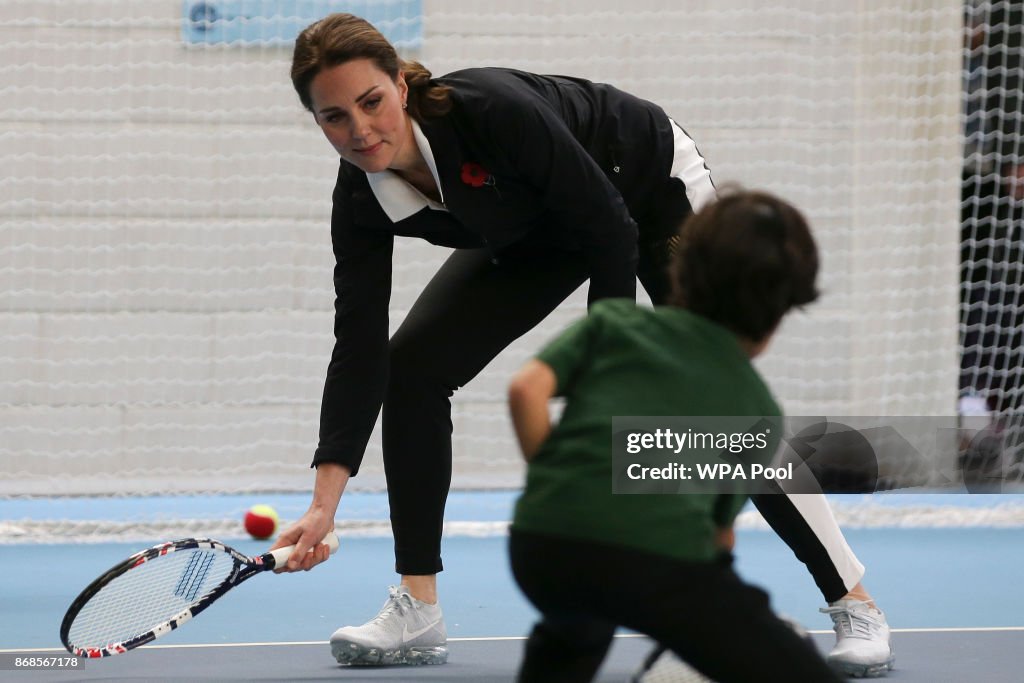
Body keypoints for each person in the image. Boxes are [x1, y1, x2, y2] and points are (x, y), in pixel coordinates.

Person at [269, 12, 893, 676]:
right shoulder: (361, 196)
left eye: (370, 102)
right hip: (541, 227)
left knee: (718, 409)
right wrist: (322, 506)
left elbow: (611, 231)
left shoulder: (491, 112)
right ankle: (417, 605)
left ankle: (854, 599)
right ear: (317, 122)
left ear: (400, 84)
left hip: (648, 189)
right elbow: (357, 343)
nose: (360, 130)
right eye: (334, 117)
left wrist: (613, 386)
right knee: (411, 369)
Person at [507, 188, 842, 682]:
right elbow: (718, 537)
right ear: (780, 313)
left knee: (575, 629)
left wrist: (555, 483)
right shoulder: (758, 410)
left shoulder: (613, 323)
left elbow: (525, 391)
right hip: (654, 570)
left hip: (541, 547)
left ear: (680, 272)